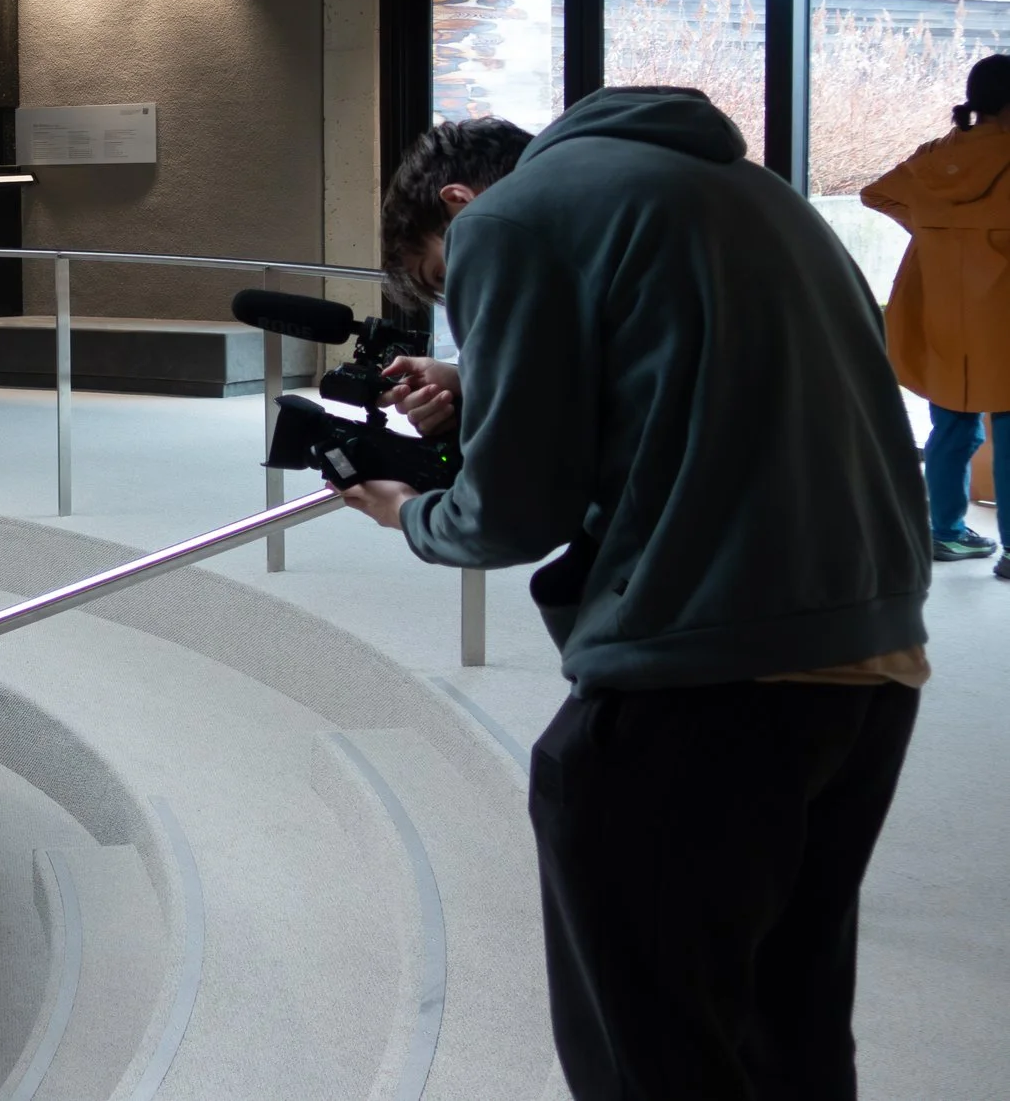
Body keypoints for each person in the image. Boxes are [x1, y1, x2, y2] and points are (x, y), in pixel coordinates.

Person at [339, 88, 930, 1100]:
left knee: (648, 1053)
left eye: (445, 277)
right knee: (789, 1033)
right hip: (869, 659)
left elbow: (514, 509)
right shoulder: (751, 192)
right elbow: (702, 382)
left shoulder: (505, 219)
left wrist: (409, 513)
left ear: (457, 202)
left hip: (700, 666)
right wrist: (484, 378)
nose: (460, 287)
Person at [862, 54, 1010, 571]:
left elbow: (875, 193)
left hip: (943, 311)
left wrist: (935, 231)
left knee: (951, 424)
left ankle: (945, 532)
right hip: (1002, 314)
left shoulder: (936, 156)